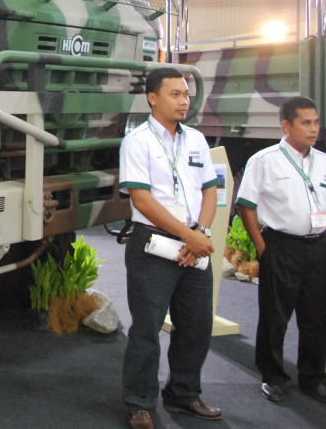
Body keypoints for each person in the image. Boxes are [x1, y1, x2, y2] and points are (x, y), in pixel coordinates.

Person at [119, 67, 221, 429]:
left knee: (196, 326)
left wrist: (200, 233)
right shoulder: (138, 141)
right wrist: (188, 235)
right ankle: (139, 403)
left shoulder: (196, 139)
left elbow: (210, 189)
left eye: (186, 94)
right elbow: (142, 200)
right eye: (175, 94)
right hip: (153, 246)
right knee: (146, 330)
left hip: (194, 244)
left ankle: (183, 394)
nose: (184, 100)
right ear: (152, 98)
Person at [236, 96, 326, 405]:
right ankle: (273, 376)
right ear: (286, 125)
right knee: (275, 316)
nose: (313, 129)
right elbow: (246, 205)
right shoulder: (265, 160)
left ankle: (313, 378)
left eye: (316, 122)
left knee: (318, 317)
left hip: (319, 248)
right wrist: (262, 248)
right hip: (281, 247)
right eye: (305, 123)